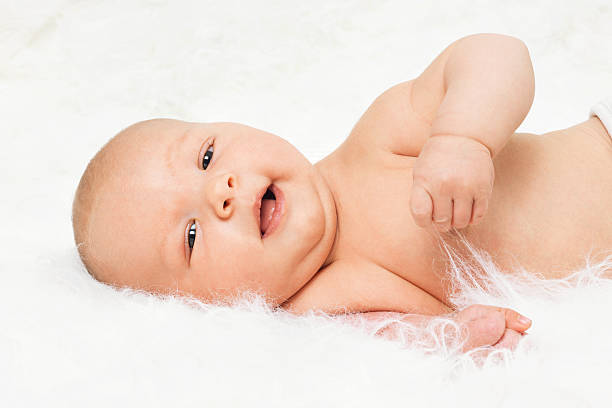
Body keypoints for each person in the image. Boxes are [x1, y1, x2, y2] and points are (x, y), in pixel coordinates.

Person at [71, 33, 612, 352]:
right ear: (197, 306)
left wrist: (463, 137)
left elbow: (496, 54)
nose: (222, 191)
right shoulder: (322, 313)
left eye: (207, 156)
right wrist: (458, 334)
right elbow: (412, 338)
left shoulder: (375, 143)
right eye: (190, 236)